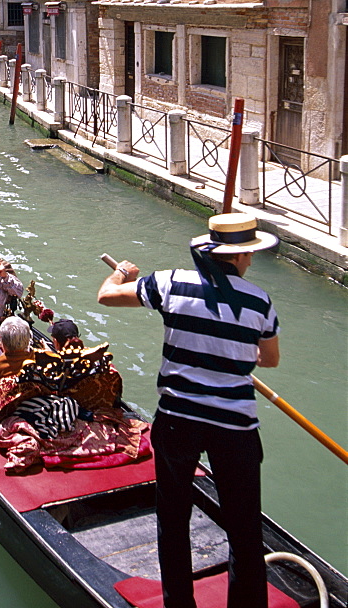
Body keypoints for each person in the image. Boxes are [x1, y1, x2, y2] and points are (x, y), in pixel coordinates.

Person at [97, 212, 281, 608]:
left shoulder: (170, 283)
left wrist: (122, 273)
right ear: (239, 256)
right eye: (248, 253)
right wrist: (232, 351)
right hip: (235, 426)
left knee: (174, 519)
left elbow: (106, 296)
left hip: (179, 420)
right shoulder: (260, 302)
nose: (250, 260)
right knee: (245, 529)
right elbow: (269, 361)